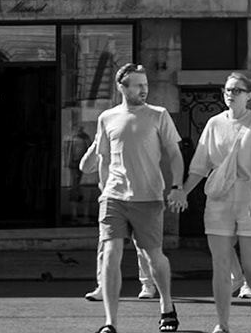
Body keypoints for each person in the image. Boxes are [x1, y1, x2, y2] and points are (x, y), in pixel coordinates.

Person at [90, 63, 185, 333]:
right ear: (122, 87)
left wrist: (177, 186)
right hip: (114, 197)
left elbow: (174, 154)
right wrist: (103, 189)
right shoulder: (106, 118)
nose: (144, 89)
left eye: (146, 84)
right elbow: (104, 159)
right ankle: (110, 322)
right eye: (138, 85)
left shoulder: (159, 115)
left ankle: (167, 305)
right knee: (110, 254)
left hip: (148, 197)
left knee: (154, 256)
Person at [183, 71, 251, 333]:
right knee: (220, 265)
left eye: (237, 90)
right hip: (220, 198)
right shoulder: (214, 123)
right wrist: (183, 191)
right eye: (227, 90)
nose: (230, 94)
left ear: (249, 95)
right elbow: (200, 166)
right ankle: (223, 324)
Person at [80, 132, 160, 303]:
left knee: (143, 244)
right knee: (106, 245)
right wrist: (97, 143)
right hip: (111, 199)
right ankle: (103, 287)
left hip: (137, 197)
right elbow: (85, 167)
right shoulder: (102, 142)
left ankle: (148, 284)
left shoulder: (134, 142)